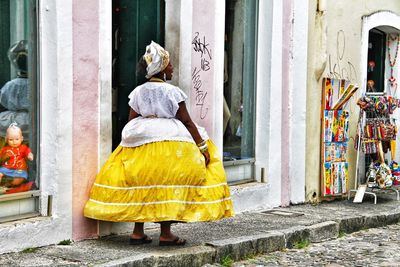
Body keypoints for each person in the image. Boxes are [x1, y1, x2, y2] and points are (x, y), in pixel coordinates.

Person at [84, 41, 234, 246]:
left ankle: (138, 232)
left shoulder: (138, 91)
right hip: (171, 145)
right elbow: (187, 121)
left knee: (141, 184)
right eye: (170, 64)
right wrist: (202, 146)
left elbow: (132, 119)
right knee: (167, 186)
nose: (172, 68)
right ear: (162, 68)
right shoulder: (173, 92)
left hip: (142, 144)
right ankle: (165, 234)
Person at [0, 40, 30, 140]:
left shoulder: (10, 85)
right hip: (29, 119)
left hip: (12, 119)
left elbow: (3, 100)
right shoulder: (34, 84)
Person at [0, 123, 33, 189]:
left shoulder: (23, 147)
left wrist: (30, 155)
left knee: (19, 178)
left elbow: (28, 152)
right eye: (11, 139)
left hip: (19, 169)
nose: (14, 142)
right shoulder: (5, 149)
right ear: (6, 139)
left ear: (21, 138)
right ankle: (4, 184)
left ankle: (10, 185)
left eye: (17, 139)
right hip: (6, 168)